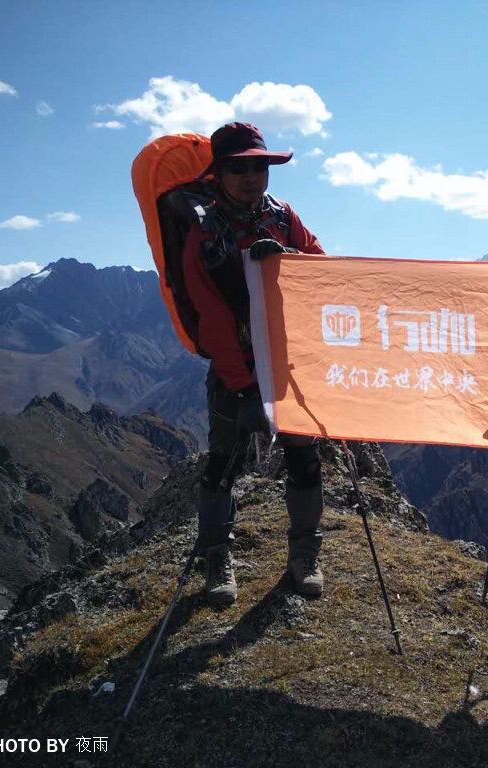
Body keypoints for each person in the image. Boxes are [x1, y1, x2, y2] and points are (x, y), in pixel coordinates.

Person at [182, 122, 327, 606]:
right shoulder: (202, 235)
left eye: (259, 166)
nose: (252, 177)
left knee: (304, 459)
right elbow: (213, 316)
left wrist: (287, 258)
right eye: (239, 167)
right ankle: (217, 560)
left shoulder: (284, 219)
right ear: (218, 172)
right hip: (236, 368)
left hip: (287, 364)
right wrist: (243, 386)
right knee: (224, 464)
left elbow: (322, 268)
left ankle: (306, 555)